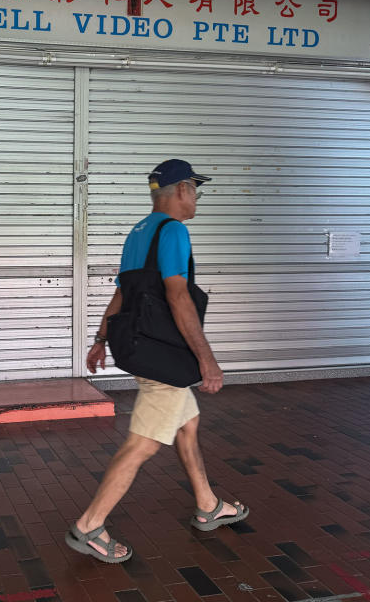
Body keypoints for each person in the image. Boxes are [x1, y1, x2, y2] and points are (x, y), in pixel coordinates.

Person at [65, 159, 248, 564]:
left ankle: (208, 505)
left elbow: (123, 294)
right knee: (143, 444)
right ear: (181, 189)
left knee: (187, 423)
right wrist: (207, 360)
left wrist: (101, 339)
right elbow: (178, 296)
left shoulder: (139, 231)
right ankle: (89, 526)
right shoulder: (174, 231)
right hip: (163, 354)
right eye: (195, 189)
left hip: (139, 347)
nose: (197, 197)